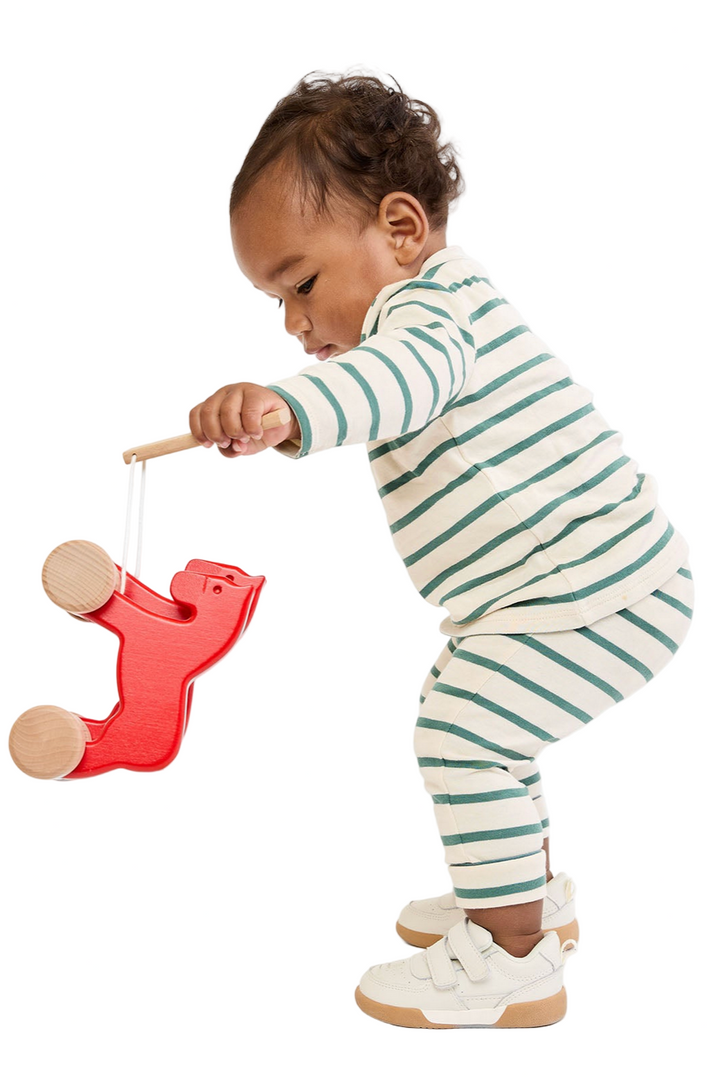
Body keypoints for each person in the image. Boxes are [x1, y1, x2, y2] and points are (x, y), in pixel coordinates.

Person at [189, 71, 694, 1029]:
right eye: (277, 302)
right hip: (570, 588)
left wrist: (285, 404)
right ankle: (523, 898)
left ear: (403, 229)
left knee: (466, 732)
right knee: (469, 713)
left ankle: (513, 960)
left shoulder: (428, 318)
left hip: (599, 590)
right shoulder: (431, 306)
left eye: (301, 283)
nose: (296, 322)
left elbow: (396, 385)